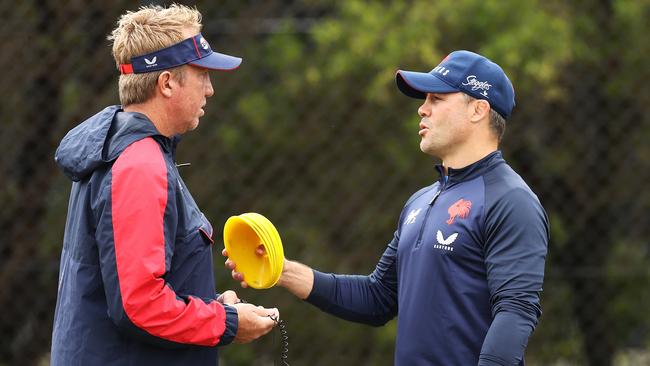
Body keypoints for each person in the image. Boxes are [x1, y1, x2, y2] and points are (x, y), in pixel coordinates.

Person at [225, 50, 549, 365]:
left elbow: (516, 311)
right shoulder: (420, 201)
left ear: (478, 110)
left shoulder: (510, 200)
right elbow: (377, 298)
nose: (423, 110)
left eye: (436, 99)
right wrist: (280, 269)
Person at [51, 5, 278, 366]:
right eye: (202, 73)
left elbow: (137, 290)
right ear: (167, 83)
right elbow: (139, 306)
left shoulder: (121, 149)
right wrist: (227, 323)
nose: (210, 89)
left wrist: (210, 306)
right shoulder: (139, 164)